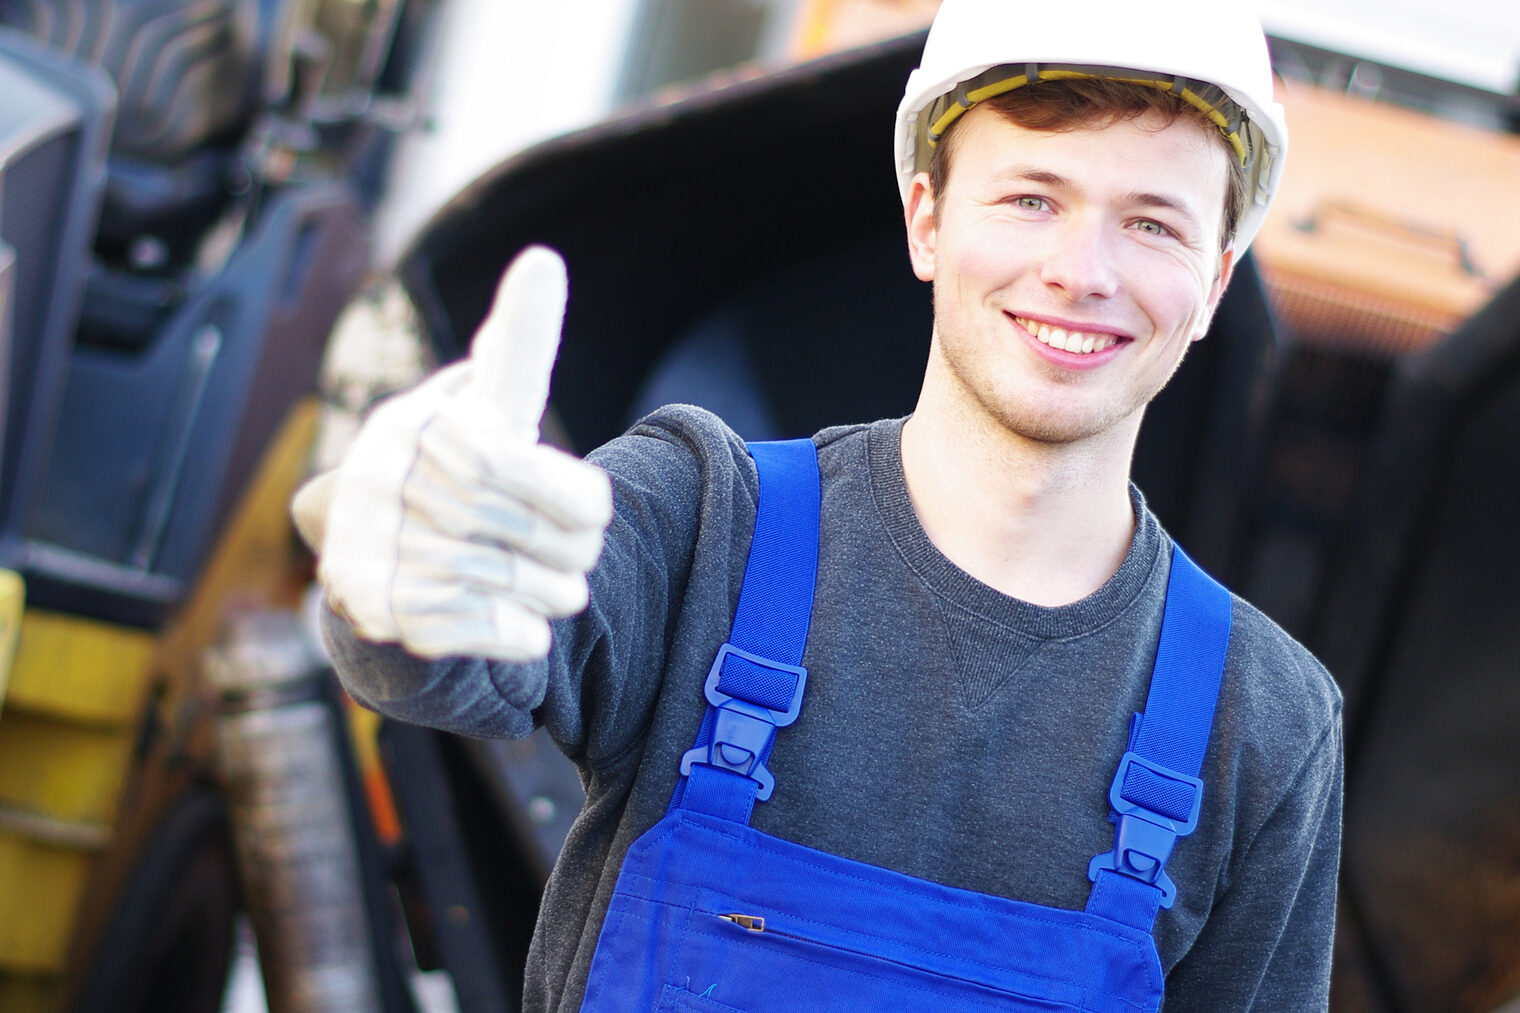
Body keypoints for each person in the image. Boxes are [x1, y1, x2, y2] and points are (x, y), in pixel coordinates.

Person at [296, 0, 1342, 1009]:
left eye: (1151, 224)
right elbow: (459, 660)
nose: (1079, 270)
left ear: (1212, 282)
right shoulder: (707, 521)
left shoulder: (1261, 722)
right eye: (1030, 197)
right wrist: (396, 559)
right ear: (926, 221)